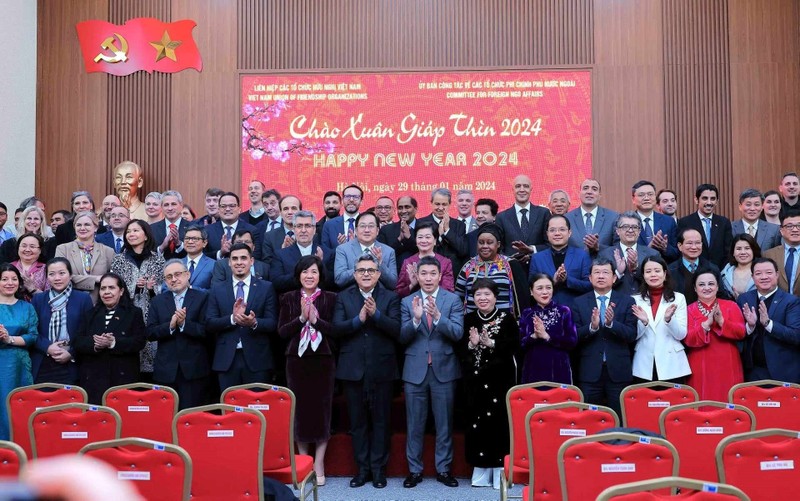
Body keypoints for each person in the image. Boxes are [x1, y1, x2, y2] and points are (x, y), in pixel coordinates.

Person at [331, 254, 401, 489]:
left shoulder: (390, 297)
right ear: (354, 274)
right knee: (358, 423)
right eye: (361, 270)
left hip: (382, 369)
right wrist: (358, 319)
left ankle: (379, 470)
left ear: (379, 274)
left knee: (381, 422)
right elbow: (336, 329)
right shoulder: (343, 297)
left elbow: (398, 330)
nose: (366, 274)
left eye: (371, 270)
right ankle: (362, 470)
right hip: (353, 370)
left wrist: (376, 316)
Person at [399, 256, 464, 489]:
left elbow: (457, 333)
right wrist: (415, 321)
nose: (427, 278)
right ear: (417, 276)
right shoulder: (407, 302)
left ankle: (444, 469)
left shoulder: (453, 300)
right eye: (423, 274)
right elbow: (402, 337)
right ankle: (414, 471)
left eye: (432, 274)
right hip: (414, 370)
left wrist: (438, 317)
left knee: (444, 424)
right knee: (414, 424)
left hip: (443, 370)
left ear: (439, 276)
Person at [277, 255, 336, 485]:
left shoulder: (331, 298)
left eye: (313, 272)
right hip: (296, 361)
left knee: (322, 411)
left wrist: (317, 321)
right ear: (298, 275)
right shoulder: (288, 298)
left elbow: (336, 330)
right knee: (299, 411)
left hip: (323, 360)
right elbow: (281, 331)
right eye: (305, 272)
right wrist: (302, 318)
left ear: (320, 275)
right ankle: (303, 462)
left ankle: (319, 463)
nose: (309, 276)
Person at [459, 278, 518, 489]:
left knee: (499, 424)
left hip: (499, 381)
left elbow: (513, 346)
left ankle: (500, 471)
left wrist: (490, 343)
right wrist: (472, 344)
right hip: (475, 380)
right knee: (477, 423)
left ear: (495, 297)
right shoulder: (469, 319)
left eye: (487, 294)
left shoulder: (507, 318)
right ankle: (480, 469)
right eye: (478, 295)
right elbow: (461, 350)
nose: (482, 299)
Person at [206, 243, 278, 391]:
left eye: (243, 258)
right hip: (226, 360)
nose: (239, 262)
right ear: (229, 262)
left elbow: (272, 323)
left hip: (257, 359)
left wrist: (254, 322)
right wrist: (232, 319)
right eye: (235, 258)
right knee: (229, 409)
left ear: (251, 261)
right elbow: (209, 323)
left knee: (256, 409)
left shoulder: (266, 287)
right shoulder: (217, 289)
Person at [572, 258, 637, 417]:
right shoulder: (578, 302)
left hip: (618, 372)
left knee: (620, 418)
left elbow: (631, 335)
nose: (601, 276)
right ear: (590, 278)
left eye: (605, 272)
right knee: (588, 419)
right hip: (589, 372)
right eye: (597, 273)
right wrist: (591, 328)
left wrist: (611, 324)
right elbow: (573, 337)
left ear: (614, 278)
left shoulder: (627, 301)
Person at [73, 272, 146, 404]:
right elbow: (78, 341)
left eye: (111, 288)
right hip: (94, 379)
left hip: (123, 379)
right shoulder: (90, 314)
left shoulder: (134, 313)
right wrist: (95, 344)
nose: (106, 292)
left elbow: (139, 342)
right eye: (103, 288)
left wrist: (113, 342)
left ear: (121, 291)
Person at [146, 259, 210, 410]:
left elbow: (207, 330)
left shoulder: (202, 297)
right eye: (169, 277)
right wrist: (170, 325)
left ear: (187, 275)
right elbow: (150, 332)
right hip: (166, 370)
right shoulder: (157, 301)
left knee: (192, 415)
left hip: (194, 369)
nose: (174, 279)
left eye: (178, 274)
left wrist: (184, 325)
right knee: (166, 415)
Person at [110, 219, 165, 377]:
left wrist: (151, 288)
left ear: (146, 235)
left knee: (151, 363)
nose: (131, 234)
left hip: (152, 313)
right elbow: (113, 288)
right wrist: (134, 286)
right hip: (126, 313)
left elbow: (165, 287)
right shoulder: (119, 260)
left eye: (135, 230)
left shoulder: (158, 259)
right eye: (128, 231)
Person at [684, 268, 745, 401]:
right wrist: (706, 325)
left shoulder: (731, 306)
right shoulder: (689, 309)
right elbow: (687, 339)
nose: (707, 288)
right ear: (695, 288)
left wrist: (722, 322)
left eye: (711, 284)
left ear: (717, 287)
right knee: (701, 401)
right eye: (701, 284)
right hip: (699, 362)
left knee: (728, 401)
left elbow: (741, 332)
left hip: (728, 362)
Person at [736, 257, 800, 382]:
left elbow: (796, 336)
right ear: (753, 277)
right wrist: (750, 326)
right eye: (758, 273)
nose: (764, 277)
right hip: (751, 369)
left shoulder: (791, 301)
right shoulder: (744, 299)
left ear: (777, 275)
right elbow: (737, 332)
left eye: (769, 273)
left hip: (782, 369)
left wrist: (768, 324)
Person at [30, 258, 93, 385]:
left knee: (71, 403)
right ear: (47, 277)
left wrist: (71, 352)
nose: (57, 278)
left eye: (62, 273)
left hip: (73, 362)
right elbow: (32, 331)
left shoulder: (83, 298)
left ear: (70, 275)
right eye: (52, 274)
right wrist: (47, 347)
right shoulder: (39, 299)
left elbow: (88, 332)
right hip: (44, 359)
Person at [630, 256, 690, 383]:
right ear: (643, 275)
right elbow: (632, 336)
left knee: (674, 401)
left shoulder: (678, 298)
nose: (653, 275)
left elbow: (681, 335)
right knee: (645, 401)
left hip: (672, 362)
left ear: (665, 273)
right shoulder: (635, 300)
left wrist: (669, 320)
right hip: (644, 361)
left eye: (657, 271)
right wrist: (644, 322)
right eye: (648, 271)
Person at [455, 223, 529, 316]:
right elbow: (458, 298)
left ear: (498, 244)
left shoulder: (511, 265)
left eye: (489, 242)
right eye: (481, 242)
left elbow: (523, 298)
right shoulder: (468, 266)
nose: (485, 246)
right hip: (472, 324)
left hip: (505, 324)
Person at [0, 264, 38, 440]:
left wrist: (9, 339)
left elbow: (32, 336)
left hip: (19, 365)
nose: (10, 283)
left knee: (18, 408)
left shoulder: (27, 307)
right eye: (4, 279)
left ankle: (19, 454)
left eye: (14, 279)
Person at [519, 273, 577, 384]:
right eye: (539, 288)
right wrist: (534, 336)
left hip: (558, 367)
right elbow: (521, 344)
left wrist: (547, 336)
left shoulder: (564, 311)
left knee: (559, 400)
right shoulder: (527, 313)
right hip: (533, 368)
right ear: (531, 291)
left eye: (548, 288)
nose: (545, 292)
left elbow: (572, 341)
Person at [528, 214, 593, 307]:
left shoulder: (582, 255)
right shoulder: (537, 258)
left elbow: (589, 286)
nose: (557, 233)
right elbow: (531, 288)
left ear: (569, 233)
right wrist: (552, 281)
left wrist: (566, 280)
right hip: (545, 312)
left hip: (575, 311)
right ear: (547, 234)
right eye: (552, 230)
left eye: (562, 229)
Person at [55, 211, 116, 303]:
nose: (82, 228)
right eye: (78, 225)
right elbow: (61, 277)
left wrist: (78, 279)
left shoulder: (108, 251)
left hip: (99, 303)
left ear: (95, 227)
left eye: (87, 224)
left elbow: (113, 279)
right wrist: (96, 279)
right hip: (70, 302)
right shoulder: (63, 249)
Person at [598, 211, 660, 295]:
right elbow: (601, 285)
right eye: (625, 227)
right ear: (617, 231)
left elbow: (658, 282)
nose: (630, 230)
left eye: (634, 227)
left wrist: (636, 269)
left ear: (639, 231)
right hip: (617, 304)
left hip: (645, 302)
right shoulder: (605, 254)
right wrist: (618, 273)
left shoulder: (652, 254)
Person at [334, 212, 397, 289]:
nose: (367, 230)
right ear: (356, 230)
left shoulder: (388, 251)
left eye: (371, 226)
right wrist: (360, 268)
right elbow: (339, 279)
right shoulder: (343, 249)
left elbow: (393, 283)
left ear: (377, 230)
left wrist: (380, 265)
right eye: (363, 226)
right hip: (351, 297)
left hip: (380, 298)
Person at [677, 183, 733, 269]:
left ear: (717, 201)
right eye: (705, 198)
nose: (709, 202)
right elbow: (681, 250)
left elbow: (728, 251)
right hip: (693, 272)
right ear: (696, 200)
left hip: (719, 272)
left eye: (713, 199)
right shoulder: (685, 222)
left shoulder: (724, 222)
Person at [495, 174, 551, 260]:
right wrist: (509, 261)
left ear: (531, 189)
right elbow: (499, 247)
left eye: (526, 186)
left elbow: (550, 244)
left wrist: (532, 250)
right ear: (513, 190)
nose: (522, 189)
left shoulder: (543, 213)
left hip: (537, 267)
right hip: (512, 269)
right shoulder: (501, 217)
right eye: (518, 186)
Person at [416, 188, 469, 275]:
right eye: (437, 204)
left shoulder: (459, 225)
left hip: (452, 274)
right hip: (428, 273)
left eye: (444, 204)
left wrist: (447, 231)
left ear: (450, 204)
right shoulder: (421, 222)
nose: (440, 208)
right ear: (431, 203)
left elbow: (462, 251)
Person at [270, 210, 324, 293]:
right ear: (293, 229)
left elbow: (332, 283)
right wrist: (301, 274)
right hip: (290, 303)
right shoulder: (280, 255)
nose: (303, 230)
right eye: (299, 226)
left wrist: (320, 264)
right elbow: (276, 283)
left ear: (314, 229)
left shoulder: (326, 252)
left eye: (307, 226)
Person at [396, 222, 455, 297]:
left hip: (439, 305)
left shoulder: (445, 262)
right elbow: (399, 292)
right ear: (416, 240)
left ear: (435, 241)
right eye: (420, 237)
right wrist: (412, 285)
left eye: (428, 237)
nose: (424, 241)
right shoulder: (408, 262)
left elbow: (449, 291)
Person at [565, 178, 619, 255]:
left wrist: (598, 247)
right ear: (579, 193)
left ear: (600, 195)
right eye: (585, 188)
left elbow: (618, 247)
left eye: (594, 189)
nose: (589, 192)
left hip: (602, 264)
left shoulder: (613, 217)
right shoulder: (567, 218)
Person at [668, 228, 721, 304]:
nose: (694, 247)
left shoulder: (712, 269)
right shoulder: (671, 270)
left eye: (698, 243)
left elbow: (721, 296)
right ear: (680, 246)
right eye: (689, 243)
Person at [203, 192, 261, 260]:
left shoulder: (252, 230)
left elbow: (257, 255)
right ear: (218, 210)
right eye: (223, 206)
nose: (227, 209)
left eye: (232, 206)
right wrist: (220, 253)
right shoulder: (207, 231)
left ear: (239, 209)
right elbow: (202, 256)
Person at [631, 180, 679, 262]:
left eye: (650, 194)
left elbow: (677, 253)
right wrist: (648, 249)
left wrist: (665, 248)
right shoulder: (627, 222)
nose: (646, 198)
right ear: (633, 199)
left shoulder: (668, 221)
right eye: (641, 195)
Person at [763, 209, 800, 295]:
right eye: (789, 226)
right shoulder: (768, 255)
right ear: (781, 231)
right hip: (777, 305)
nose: (795, 230)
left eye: (799, 225)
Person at [378, 195, 419, 272]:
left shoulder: (425, 227)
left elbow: (427, 251)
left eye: (407, 207)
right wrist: (399, 240)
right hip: (395, 277)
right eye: (400, 208)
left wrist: (409, 238)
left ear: (416, 209)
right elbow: (384, 256)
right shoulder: (386, 230)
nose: (403, 211)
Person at [260, 194, 302, 267]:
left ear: (300, 212)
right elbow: (267, 265)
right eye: (285, 209)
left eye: (294, 208)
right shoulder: (270, 237)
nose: (289, 212)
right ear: (281, 212)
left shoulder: (311, 235)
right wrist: (282, 252)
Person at [321, 184, 363, 254]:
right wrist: (341, 247)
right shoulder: (329, 225)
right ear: (342, 201)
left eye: (355, 197)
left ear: (361, 201)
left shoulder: (369, 223)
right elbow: (325, 255)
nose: (351, 200)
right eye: (347, 196)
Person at [149, 190, 188, 260]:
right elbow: (148, 255)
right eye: (166, 205)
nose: (170, 208)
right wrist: (162, 247)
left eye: (173, 204)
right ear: (161, 207)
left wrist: (178, 244)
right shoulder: (151, 229)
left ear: (181, 206)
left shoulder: (192, 227)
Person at [720, 234, 760, 299]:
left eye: (747, 248)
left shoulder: (762, 272)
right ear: (733, 252)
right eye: (738, 249)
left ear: (753, 251)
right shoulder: (724, 274)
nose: (743, 252)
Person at [11, 233, 48, 301]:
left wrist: (32, 288)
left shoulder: (46, 269)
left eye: (32, 246)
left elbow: (49, 297)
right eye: (24, 246)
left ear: (40, 250)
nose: (27, 250)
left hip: (37, 309)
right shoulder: (9, 267)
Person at [183, 226, 215, 291]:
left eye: (195, 239)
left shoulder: (214, 265)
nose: (190, 242)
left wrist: (191, 288)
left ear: (204, 243)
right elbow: (165, 289)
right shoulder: (176, 264)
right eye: (187, 238)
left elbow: (215, 292)